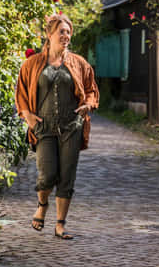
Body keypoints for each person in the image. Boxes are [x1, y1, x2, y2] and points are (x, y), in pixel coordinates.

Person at [15, 13, 99, 240]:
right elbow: (21, 92)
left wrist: (88, 105)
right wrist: (28, 116)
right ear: (49, 34)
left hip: (71, 126)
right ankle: (42, 205)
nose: (66, 36)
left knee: (67, 175)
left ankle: (60, 224)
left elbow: (91, 90)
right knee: (47, 174)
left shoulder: (78, 63)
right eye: (61, 31)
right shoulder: (32, 64)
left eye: (68, 32)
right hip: (44, 128)